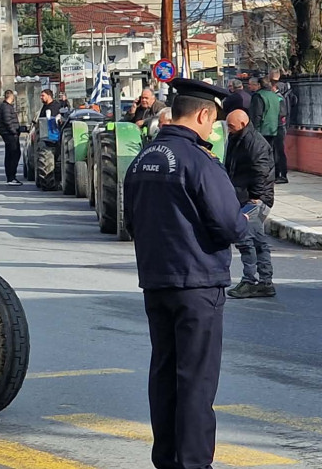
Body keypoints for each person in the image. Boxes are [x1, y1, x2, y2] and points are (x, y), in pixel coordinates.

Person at [123, 78, 248, 469]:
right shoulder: (199, 161)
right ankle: (194, 462)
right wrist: (246, 221)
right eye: (213, 121)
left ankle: (167, 458)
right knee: (196, 380)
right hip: (198, 285)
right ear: (204, 113)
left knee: (163, 374)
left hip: (156, 282)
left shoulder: (142, 159)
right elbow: (229, 225)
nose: (213, 130)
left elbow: (131, 221)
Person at [224, 110, 277, 299]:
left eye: (231, 125)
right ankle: (264, 282)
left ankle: (252, 281)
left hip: (255, 199)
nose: (228, 129)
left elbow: (261, 171)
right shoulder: (237, 138)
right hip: (242, 196)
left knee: (247, 241)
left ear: (243, 124)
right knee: (256, 240)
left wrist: (255, 196)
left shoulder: (255, 143)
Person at [0, 90, 22, 186]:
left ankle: (11, 177)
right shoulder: (6, 107)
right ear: (11, 97)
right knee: (13, 155)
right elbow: (7, 121)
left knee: (11, 155)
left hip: (9, 133)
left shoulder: (6, 107)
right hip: (9, 134)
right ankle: (11, 177)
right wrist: (14, 131)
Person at [270, 73, 291, 184]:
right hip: (277, 127)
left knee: (279, 152)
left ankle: (282, 174)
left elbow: (282, 113)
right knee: (275, 151)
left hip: (279, 127)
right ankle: (277, 174)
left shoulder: (279, 98)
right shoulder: (277, 97)